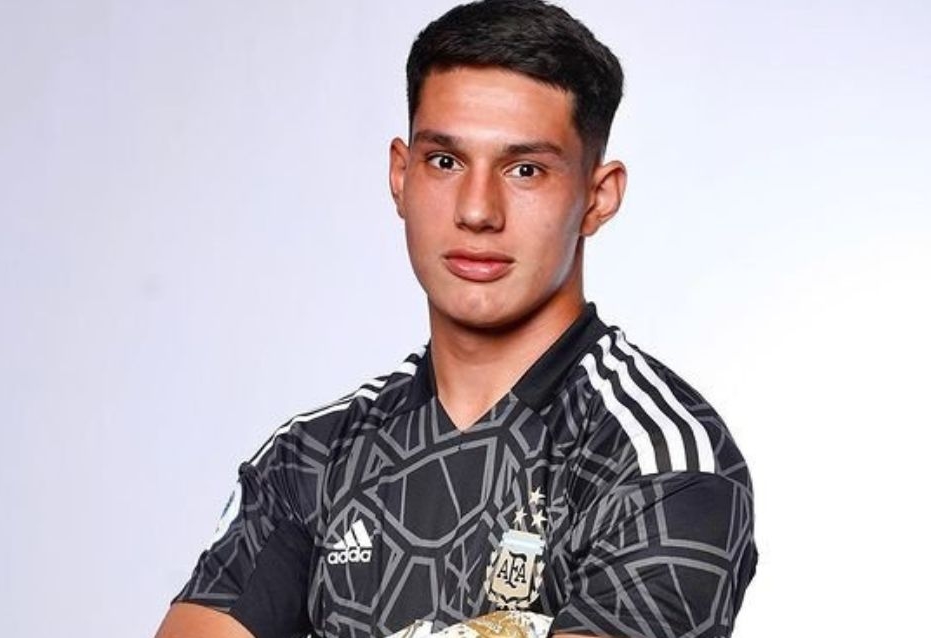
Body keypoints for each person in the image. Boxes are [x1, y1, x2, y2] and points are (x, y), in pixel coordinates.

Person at [155, 1, 757, 637]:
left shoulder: (664, 461)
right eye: (445, 161)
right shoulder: (312, 457)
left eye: (525, 170)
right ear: (400, 175)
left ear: (597, 197)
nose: (476, 211)